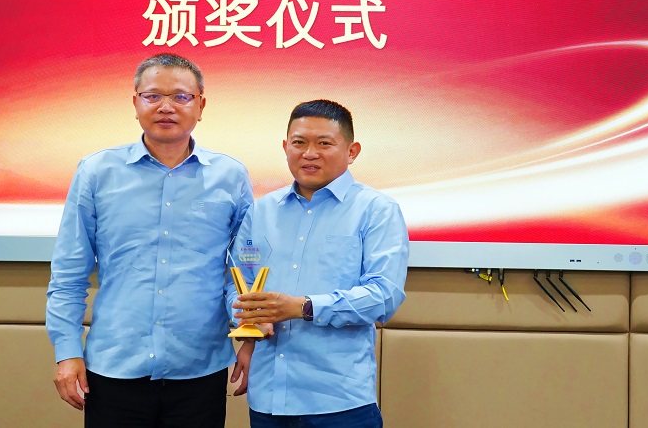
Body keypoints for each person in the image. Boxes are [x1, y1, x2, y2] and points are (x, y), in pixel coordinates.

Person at [46, 53, 253, 427]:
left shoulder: (230, 176)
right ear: (135, 103)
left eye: (181, 97)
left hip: (200, 367)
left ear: (201, 105)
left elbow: (241, 274)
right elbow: (68, 275)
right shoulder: (97, 172)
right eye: (153, 96)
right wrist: (67, 351)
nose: (166, 107)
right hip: (115, 365)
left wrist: (250, 336)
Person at [231, 99, 409, 428]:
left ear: (352, 151)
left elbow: (384, 295)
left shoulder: (376, 210)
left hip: (338, 400)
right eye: (299, 143)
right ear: (285, 147)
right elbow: (237, 280)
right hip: (268, 394)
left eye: (324, 143)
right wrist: (250, 325)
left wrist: (303, 307)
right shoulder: (261, 211)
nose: (309, 153)